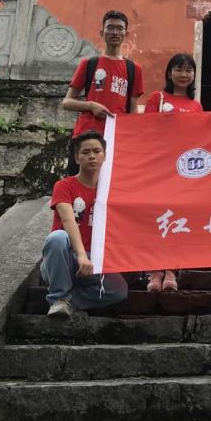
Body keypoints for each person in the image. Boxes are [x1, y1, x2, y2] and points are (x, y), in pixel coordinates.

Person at [41, 130, 128, 318]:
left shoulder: (111, 191)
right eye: (86, 152)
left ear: (104, 156)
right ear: (76, 158)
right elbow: (68, 220)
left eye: (97, 151)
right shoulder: (64, 185)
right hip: (65, 259)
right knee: (57, 237)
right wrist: (80, 255)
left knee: (118, 289)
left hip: (93, 263)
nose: (92, 156)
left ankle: (68, 302)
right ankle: (58, 298)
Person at [143, 53, 203, 291]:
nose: (184, 74)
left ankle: (171, 270)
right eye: (179, 69)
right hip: (159, 168)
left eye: (189, 70)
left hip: (184, 172)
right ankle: (153, 271)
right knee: (157, 219)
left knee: (178, 220)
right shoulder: (156, 98)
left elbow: (200, 140)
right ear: (169, 73)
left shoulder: (196, 106)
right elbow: (144, 130)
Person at [62, 10, 144, 173]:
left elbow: (133, 110)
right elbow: (67, 102)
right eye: (110, 28)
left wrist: (133, 138)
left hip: (116, 138)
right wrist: (91, 105)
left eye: (119, 28)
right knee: (79, 183)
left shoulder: (134, 69)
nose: (115, 32)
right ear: (102, 32)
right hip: (86, 137)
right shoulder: (89, 64)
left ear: (126, 34)